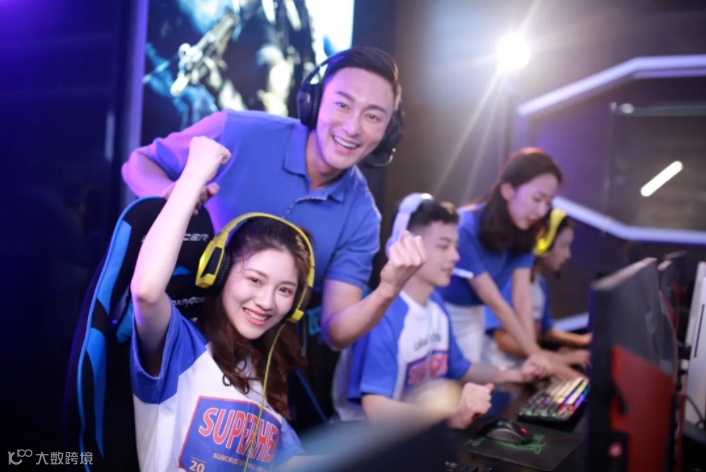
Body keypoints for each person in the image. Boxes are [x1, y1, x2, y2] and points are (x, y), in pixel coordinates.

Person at [123, 45, 424, 351]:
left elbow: (335, 332)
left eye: (373, 116)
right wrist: (174, 197)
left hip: (253, 362)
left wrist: (389, 289)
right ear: (314, 101)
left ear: (388, 134)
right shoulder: (238, 132)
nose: (352, 128)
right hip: (166, 336)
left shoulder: (362, 216)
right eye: (342, 105)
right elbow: (139, 163)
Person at [129, 137, 313, 470]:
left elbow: (290, 463)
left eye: (285, 290)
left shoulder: (265, 370)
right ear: (219, 272)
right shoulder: (180, 344)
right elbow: (146, 291)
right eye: (254, 280)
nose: (267, 302)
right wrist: (194, 176)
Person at [337, 193, 549, 428]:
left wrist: (517, 374)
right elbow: (376, 409)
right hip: (365, 440)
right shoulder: (382, 315)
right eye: (443, 246)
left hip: (414, 436)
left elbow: (462, 369)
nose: (455, 256)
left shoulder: (436, 304)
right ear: (404, 246)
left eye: (455, 246)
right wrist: (452, 416)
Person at [438, 148, 562, 371]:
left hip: (474, 314)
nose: (542, 211)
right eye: (537, 199)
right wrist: (536, 355)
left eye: (548, 202)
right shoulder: (466, 227)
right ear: (508, 190)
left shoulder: (525, 232)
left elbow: (522, 298)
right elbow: (495, 302)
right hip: (442, 312)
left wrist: (532, 355)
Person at [482, 208, 591, 376]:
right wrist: (560, 359)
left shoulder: (540, 282)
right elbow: (503, 340)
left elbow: (544, 332)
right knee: (577, 379)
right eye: (563, 246)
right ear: (544, 242)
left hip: (528, 367)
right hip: (501, 373)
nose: (568, 254)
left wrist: (582, 341)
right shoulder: (508, 280)